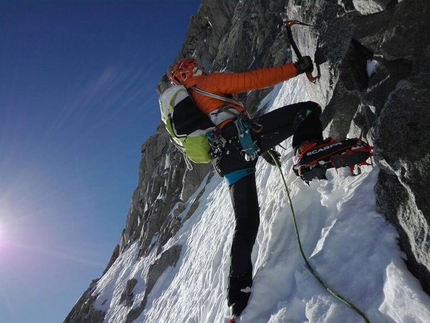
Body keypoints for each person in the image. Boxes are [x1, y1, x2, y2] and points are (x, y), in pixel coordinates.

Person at [168, 57, 321, 320]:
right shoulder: (206, 82)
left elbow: (224, 122)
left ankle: (237, 301)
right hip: (241, 140)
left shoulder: (193, 107)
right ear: (187, 73)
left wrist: (263, 151)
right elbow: (254, 80)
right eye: (193, 65)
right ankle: (310, 153)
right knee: (306, 111)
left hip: (226, 158)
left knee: (246, 222)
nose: (198, 66)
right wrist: (297, 68)